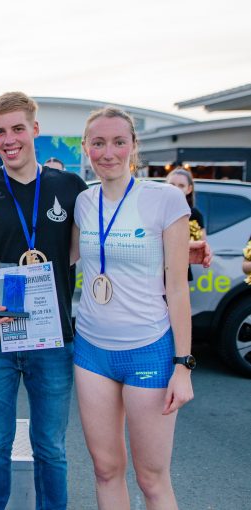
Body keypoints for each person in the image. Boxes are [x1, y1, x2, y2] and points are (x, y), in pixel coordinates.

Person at [73, 106, 194, 509]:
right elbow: (63, 256)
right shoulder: (83, 202)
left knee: (151, 478)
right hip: (91, 350)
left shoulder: (166, 199)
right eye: (99, 143)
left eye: (118, 142)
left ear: (134, 147)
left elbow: (177, 289)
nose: (108, 152)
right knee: (106, 470)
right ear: (86, 148)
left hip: (149, 348)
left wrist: (183, 364)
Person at [0, 92, 87, 510]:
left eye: (17, 128)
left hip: (52, 337)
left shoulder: (69, 186)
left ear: (35, 129)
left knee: (51, 448)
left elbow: (86, 248)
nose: (9, 139)